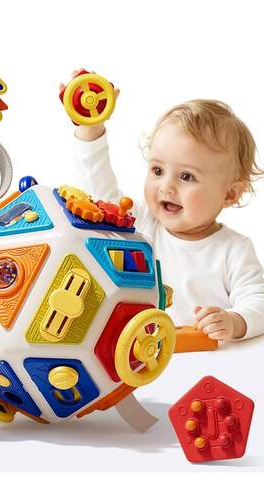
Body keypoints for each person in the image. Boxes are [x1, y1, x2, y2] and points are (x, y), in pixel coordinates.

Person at [61, 71, 264, 340]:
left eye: (186, 176)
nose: (166, 186)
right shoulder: (141, 222)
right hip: (136, 355)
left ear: (230, 193)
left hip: (203, 357)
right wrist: (90, 130)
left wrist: (235, 321)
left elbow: (258, 302)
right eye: (157, 170)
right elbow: (98, 198)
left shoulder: (234, 250)